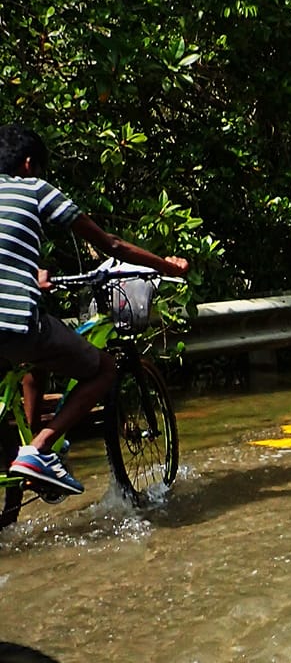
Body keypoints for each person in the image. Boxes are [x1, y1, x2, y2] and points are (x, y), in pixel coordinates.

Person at [0, 124, 189, 498]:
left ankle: (29, 459)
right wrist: (167, 266)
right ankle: (37, 451)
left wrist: (32, 276)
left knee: (35, 360)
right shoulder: (34, 189)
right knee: (103, 367)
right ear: (27, 164)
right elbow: (112, 244)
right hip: (13, 322)